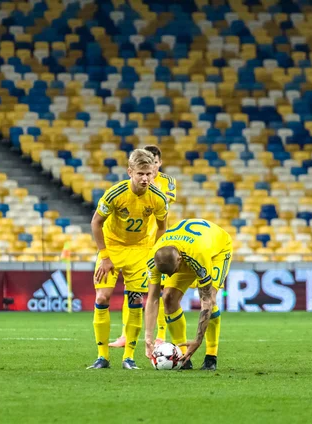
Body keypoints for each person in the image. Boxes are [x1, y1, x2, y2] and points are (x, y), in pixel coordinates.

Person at [88, 149, 169, 369]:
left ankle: (128, 358)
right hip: (112, 248)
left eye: (149, 174)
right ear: (130, 172)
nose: (145, 179)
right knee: (103, 297)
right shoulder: (115, 194)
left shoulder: (159, 198)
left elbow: (162, 227)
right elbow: (96, 222)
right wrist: (104, 255)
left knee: (135, 301)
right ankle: (102, 357)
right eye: (141, 173)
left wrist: (154, 253)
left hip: (140, 252)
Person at [109, 144, 176, 348]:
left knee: (160, 288)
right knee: (133, 290)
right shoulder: (136, 182)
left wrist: (150, 185)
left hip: (157, 240)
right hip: (138, 240)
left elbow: (165, 203)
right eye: (149, 164)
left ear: (160, 163)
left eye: (155, 163)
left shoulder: (167, 182)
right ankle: (125, 333)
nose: (153, 168)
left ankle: (161, 334)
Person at [144, 219, 232, 371]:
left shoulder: (198, 255)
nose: (173, 275)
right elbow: (152, 299)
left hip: (216, 252)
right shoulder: (153, 258)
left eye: (175, 270)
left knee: (211, 297)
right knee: (168, 298)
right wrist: (148, 336)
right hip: (187, 249)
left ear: (179, 260)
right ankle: (183, 358)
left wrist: (198, 340)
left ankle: (211, 356)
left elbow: (206, 301)